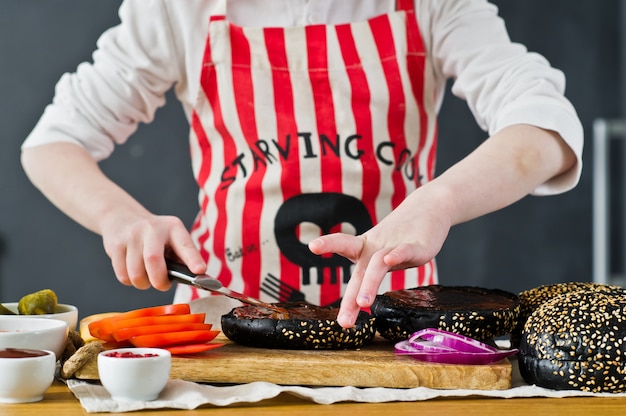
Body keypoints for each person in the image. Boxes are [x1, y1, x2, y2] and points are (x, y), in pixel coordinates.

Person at [21, 0, 582, 329]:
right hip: (222, 332)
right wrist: (121, 218)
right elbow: (54, 141)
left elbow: (547, 127)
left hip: (396, 339)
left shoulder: (436, 6)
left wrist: (439, 202)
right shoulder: (180, 9)